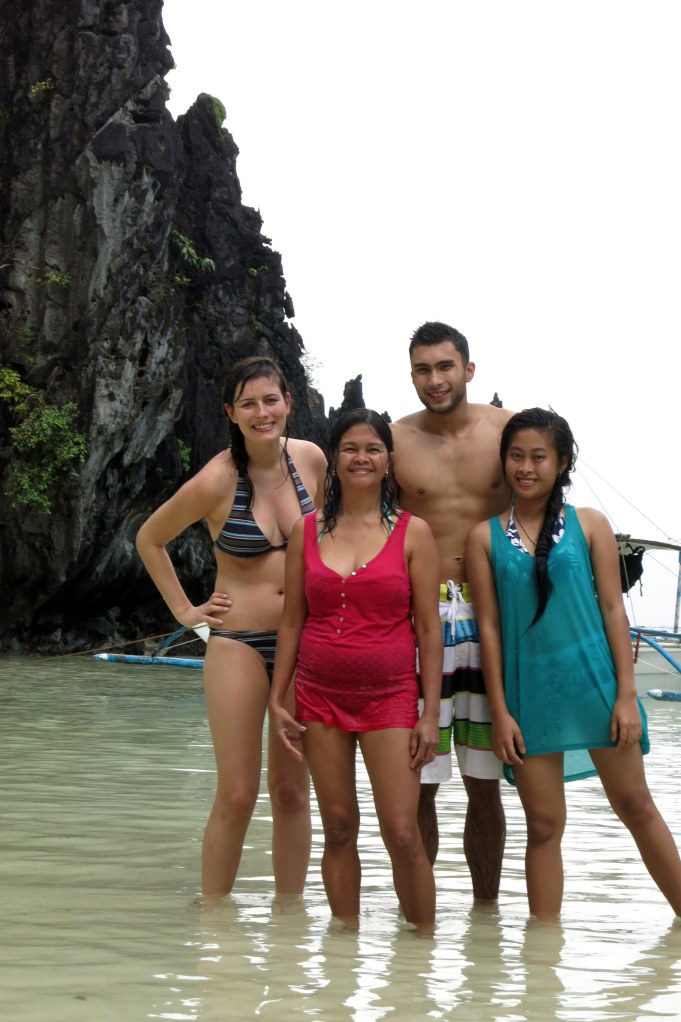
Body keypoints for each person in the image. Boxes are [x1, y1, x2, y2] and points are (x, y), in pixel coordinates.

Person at [466, 407, 681, 919]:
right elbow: (489, 629)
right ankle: (544, 969)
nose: (526, 467)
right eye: (515, 456)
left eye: (539, 456)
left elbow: (612, 608)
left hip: (597, 688)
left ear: (562, 462)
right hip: (529, 698)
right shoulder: (483, 537)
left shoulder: (590, 525)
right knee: (542, 827)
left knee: (635, 806)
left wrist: (627, 695)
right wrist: (500, 712)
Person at [136, 355, 327, 905]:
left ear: (289, 402)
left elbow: (335, 538)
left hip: (303, 642)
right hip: (238, 642)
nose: (262, 412)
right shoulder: (216, 480)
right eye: (248, 403)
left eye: (271, 400)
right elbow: (150, 538)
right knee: (240, 792)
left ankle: (288, 921)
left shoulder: (311, 462)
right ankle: (214, 921)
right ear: (231, 412)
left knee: (293, 791)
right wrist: (184, 610)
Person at [268, 408, 443, 933]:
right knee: (339, 828)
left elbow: (429, 631)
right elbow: (293, 620)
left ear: (388, 460)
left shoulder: (414, 533)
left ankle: (422, 954)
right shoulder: (307, 530)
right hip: (319, 696)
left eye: (372, 448)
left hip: (390, 697)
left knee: (402, 831)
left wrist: (429, 714)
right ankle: (342, 957)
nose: (361, 457)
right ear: (334, 459)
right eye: (350, 448)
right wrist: (280, 698)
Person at [390, 321, 512, 902]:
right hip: (423, 618)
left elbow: (542, 510)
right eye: (422, 369)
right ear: (411, 374)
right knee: (420, 781)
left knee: (485, 782)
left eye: (444, 366)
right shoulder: (393, 441)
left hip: (494, 616)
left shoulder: (507, 431)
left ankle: (485, 923)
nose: (434, 380)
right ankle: (420, 918)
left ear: (468, 368)